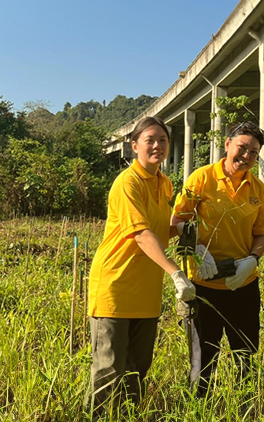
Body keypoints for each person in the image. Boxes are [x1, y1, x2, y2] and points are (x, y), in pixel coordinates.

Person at [87, 116, 196, 416]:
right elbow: (141, 234)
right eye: (150, 139)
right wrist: (175, 272)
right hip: (116, 288)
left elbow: (159, 229)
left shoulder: (164, 183)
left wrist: (181, 229)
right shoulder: (127, 183)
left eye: (163, 140)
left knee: (137, 370)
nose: (157, 145)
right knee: (108, 369)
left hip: (146, 295)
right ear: (134, 146)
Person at [171, 121, 264, 396]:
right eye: (242, 147)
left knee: (246, 355)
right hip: (204, 285)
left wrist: (252, 259)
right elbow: (176, 222)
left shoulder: (258, 189)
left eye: (254, 152)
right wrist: (198, 248)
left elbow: (261, 235)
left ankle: (245, 407)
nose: (246, 156)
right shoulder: (200, 179)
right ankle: (198, 408)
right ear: (227, 144)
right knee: (202, 360)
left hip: (243, 284)